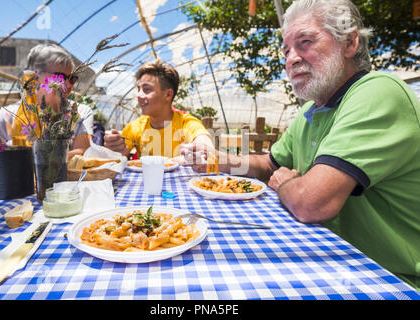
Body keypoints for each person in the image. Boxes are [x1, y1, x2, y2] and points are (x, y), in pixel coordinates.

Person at [180, 0, 420, 290]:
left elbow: (311, 203)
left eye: (305, 42)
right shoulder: (310, 112)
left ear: (350, 42)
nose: (291, 58)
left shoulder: (377, 91)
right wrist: (216, 157)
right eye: (286, 50)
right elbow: (268, 165)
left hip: (390, 281)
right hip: (332, 262)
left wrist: (285, 185)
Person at [0, 44, 93, 160]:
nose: (67, 84)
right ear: (34, 77)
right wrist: (4, 150)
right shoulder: (10, 115)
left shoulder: (79, 113)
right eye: (59, 76)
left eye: (72, 79)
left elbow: (81, 153)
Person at [103, 60, 213, 164]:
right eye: (139, 89)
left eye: (147, 89)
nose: (139, 95)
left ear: (168, 94)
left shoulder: (186, 123)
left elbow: (205, 146)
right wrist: (115, 150)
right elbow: (120, 155)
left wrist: (201, 149)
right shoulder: (135, 127)